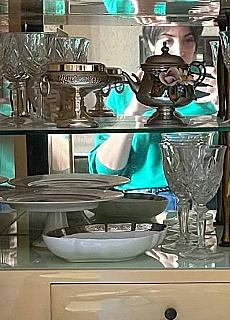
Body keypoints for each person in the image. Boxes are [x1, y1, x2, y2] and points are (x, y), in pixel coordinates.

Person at [87, 23, 219, 197]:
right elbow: (104, 173)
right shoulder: (123, 94)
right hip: (136, 197)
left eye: (188, 41)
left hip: (194, 196)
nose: (179, 51)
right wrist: (132, 114)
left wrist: (224, 107)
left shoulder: (208, 93)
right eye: (167, 41)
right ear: (150, 44)